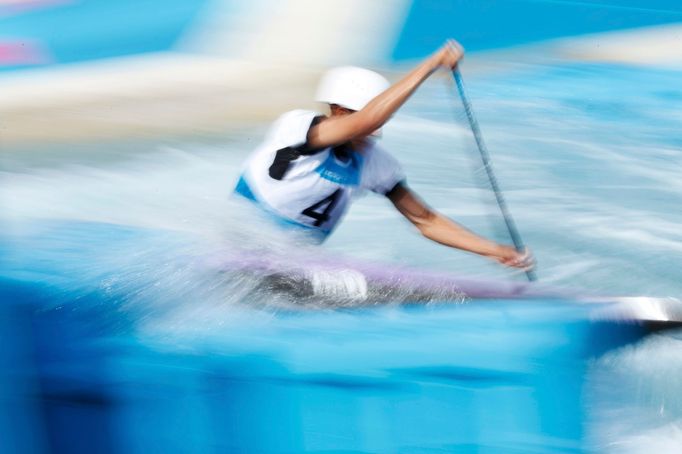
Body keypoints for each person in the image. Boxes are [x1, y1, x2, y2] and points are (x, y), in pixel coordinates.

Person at [234, 40, 533, 271]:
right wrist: (431, 64)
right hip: (240, 243)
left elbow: (425, 220)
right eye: (359, 114)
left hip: (294, 260)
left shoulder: (376, 164)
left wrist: (494, 250)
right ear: (338, 111)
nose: (378, 126)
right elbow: (368, 121)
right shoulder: (298, 127)